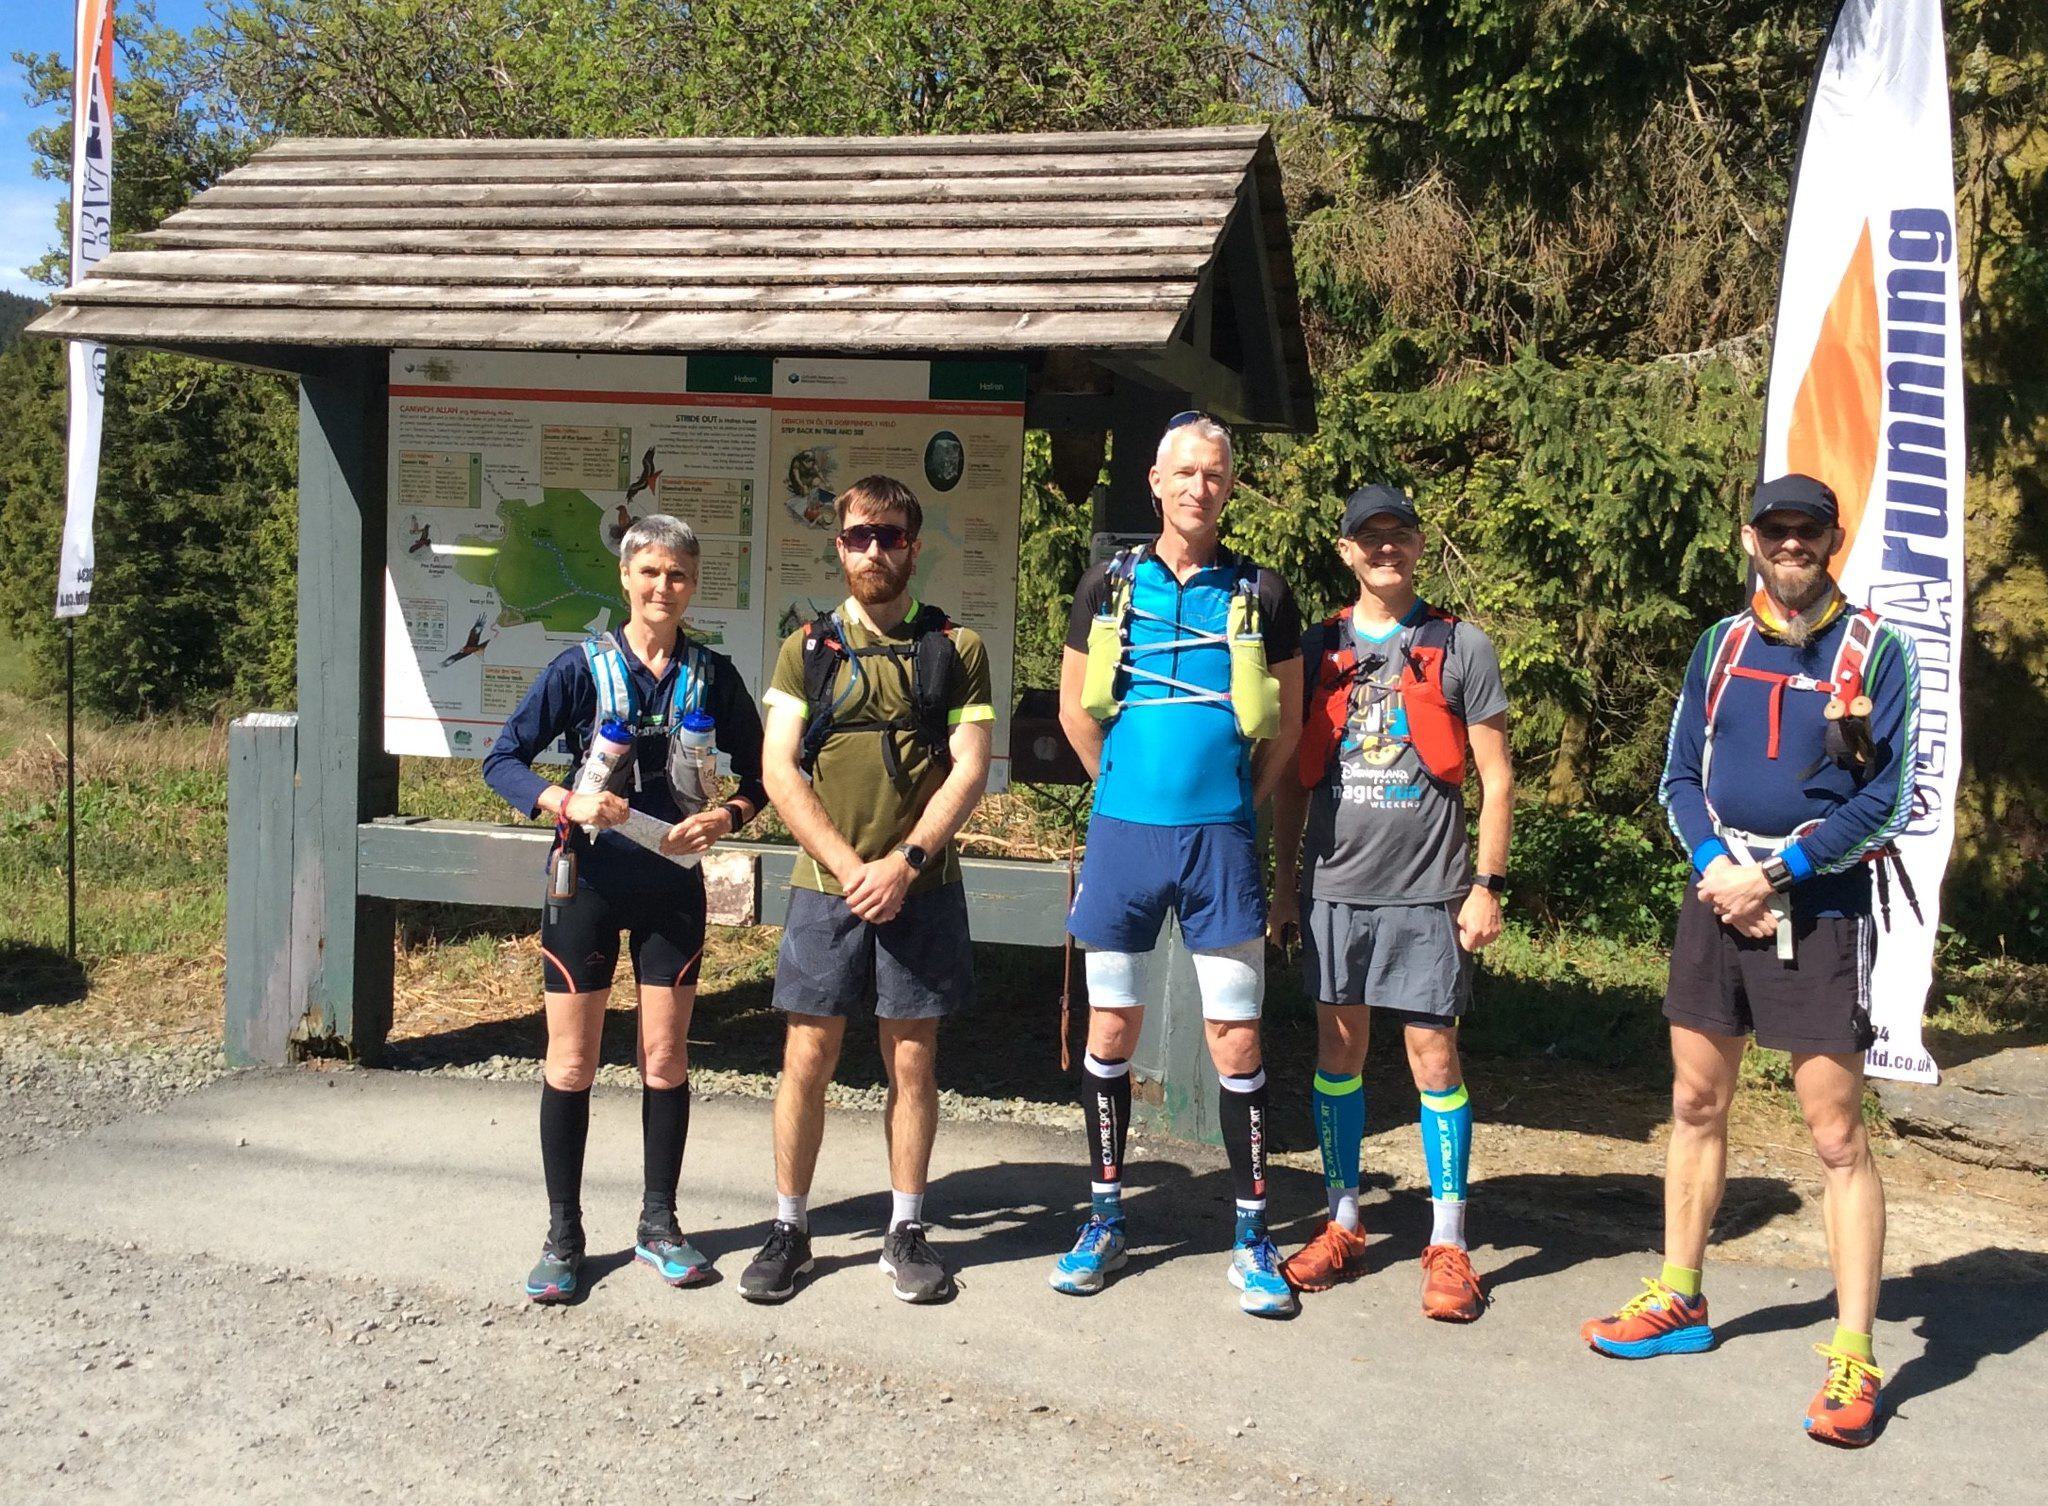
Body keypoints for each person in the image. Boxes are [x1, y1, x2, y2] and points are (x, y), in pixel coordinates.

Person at [1580, 474, 1920, 1449]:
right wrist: (1714, 864)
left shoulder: (1873, 652)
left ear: (1832, 541)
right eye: (1774, 529)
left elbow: (1885, 800)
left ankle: (1852, 1354)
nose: (1789, 544)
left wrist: (1775, 870)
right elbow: (1677, 775)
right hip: (1713, 897)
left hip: (1813, 912)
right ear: (1749, 538)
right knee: (1692, 1105)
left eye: (1806, 531)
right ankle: (1679, 1298)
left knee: (1833, 1137)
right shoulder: (1720, 646)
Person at [1050, 412, 1304, 1317]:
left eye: (1217, 474)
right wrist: (1123, 788)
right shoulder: (1107, 584)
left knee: (1236, 1037)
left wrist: (1230, 804)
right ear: (1155, 482)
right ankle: (1106, 1216)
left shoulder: (1263, 591)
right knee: (1110, 1030)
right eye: (1186, 472)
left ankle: (1254, 1234)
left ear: (1230, 486)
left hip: (1220, 841)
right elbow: (1078, 712)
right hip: (1124, 835)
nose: (1201, 487)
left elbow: (1287, 729)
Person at [482, 514, 767, 1303]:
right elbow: (501, 760)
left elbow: (767, 773)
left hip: (671, 882)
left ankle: (660, 1224)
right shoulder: (581, 669)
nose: (662, 588)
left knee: (666, 1059)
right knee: (571, 1062)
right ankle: (564, 1235)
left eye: (676, 575)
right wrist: (563, 801)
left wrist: (729, 817)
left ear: (692, 584)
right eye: (649, 573)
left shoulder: (712, 674)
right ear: (625, 578)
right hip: (589, 881)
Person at [742, 475, 995, 1305]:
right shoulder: (805, 648)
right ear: (838, 545)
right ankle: (788, 1227)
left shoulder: (957, 648)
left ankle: (906, 1227)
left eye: (889, 535)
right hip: (828, 887)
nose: (874, 550)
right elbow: (779, 768)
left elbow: (970, 766)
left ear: (914, 546)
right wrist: (852, 870)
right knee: (806, 1056)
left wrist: (905, 864)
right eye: (859, 536)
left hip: (919, 886)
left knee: (912, 1060)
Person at [1269, 484, 1512, 1321]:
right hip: (1335, 889)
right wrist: (1284, 888)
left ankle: (1449, 1241)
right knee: (1337, 1058)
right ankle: (1344, 1223)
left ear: (1417, 545)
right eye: (1368, 539)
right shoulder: (1318, 647)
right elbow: (1294, 781)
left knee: (1433, 1061)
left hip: (1429, 894)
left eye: (1398, 536)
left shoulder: (1460, 644)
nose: (1385, 550)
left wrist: (1487, 884)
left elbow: (1497, 774)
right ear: (1345, 552)